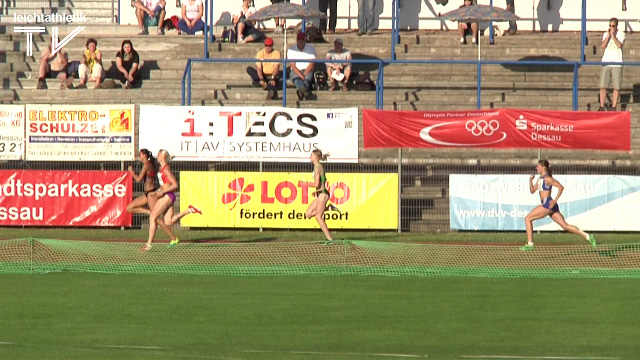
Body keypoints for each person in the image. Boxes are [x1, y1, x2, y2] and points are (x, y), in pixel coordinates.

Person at [521, 160, 596, 251]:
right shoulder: (540, 179)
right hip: (549, 205)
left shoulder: (547, 178)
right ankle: (588, 236)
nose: (536, 168)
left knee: (528, 218)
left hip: (547, 204)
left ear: (543, 167)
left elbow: (561, 187)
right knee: (565, 226)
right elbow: (532, 191)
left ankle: (530, 244)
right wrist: (530, 180)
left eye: (538, 166)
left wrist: (555, 200)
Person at [142, 149, 202, 251]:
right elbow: (164, 185)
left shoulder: (166, 169)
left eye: (159, 154)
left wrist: (162, 193)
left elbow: (175, 185)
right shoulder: (161, 168)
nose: (157, 155)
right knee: (168, 221)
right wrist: (157, 192)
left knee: (152, 217)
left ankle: (148, 245)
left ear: (163, 157)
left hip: (168, 196)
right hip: (166, 195)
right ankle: (189, 210)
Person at [126, 149, 179, 243]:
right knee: (129, 208)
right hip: (148, 193)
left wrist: (132, 172)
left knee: (157, 218)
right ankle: (149, 212)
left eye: (140, 155)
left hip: (151, 193)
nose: (139, 156)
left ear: (144, 156)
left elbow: (138, 179)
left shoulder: (147, 165)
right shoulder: (155, 166)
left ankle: (173, 238)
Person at [305, 149, 341, 244]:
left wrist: (306, 184)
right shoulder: (316, 167)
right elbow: (320, 184)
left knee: (318, 216)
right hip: (320, 193)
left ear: (316, 157)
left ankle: (330, 239)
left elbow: (317, 184)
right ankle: (328, 208)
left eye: (311, 155)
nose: (310, 157)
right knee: (308, 214)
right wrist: (316, 191)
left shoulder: (318, 167)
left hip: (323, 194)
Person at [598, 17, 625, 112]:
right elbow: (603, 45)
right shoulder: (606, 34)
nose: (611, 27)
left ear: (616, 26)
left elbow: (619, 45)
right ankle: (602, 106)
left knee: (616, 86)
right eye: (609, 25)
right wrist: (608, 36)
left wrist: (613, 36)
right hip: (606, 61)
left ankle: (613, 106)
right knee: (602, 85)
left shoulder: (621, 34)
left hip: (617, 62)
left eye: (613, 26)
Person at [288, 31, 316, 100]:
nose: (300, 41)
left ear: (305, 39)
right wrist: (301, 75)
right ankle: (304, 90)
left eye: (302, 39)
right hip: (296, 71)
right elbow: (292, 66)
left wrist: (304, 74)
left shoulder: (311, 49)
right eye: (299, 39)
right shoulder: (291, 49)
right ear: (296, 40)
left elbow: (311, 64)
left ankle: (301, 91)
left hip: (307, 70)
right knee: (297, 79)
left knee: (306, 80)